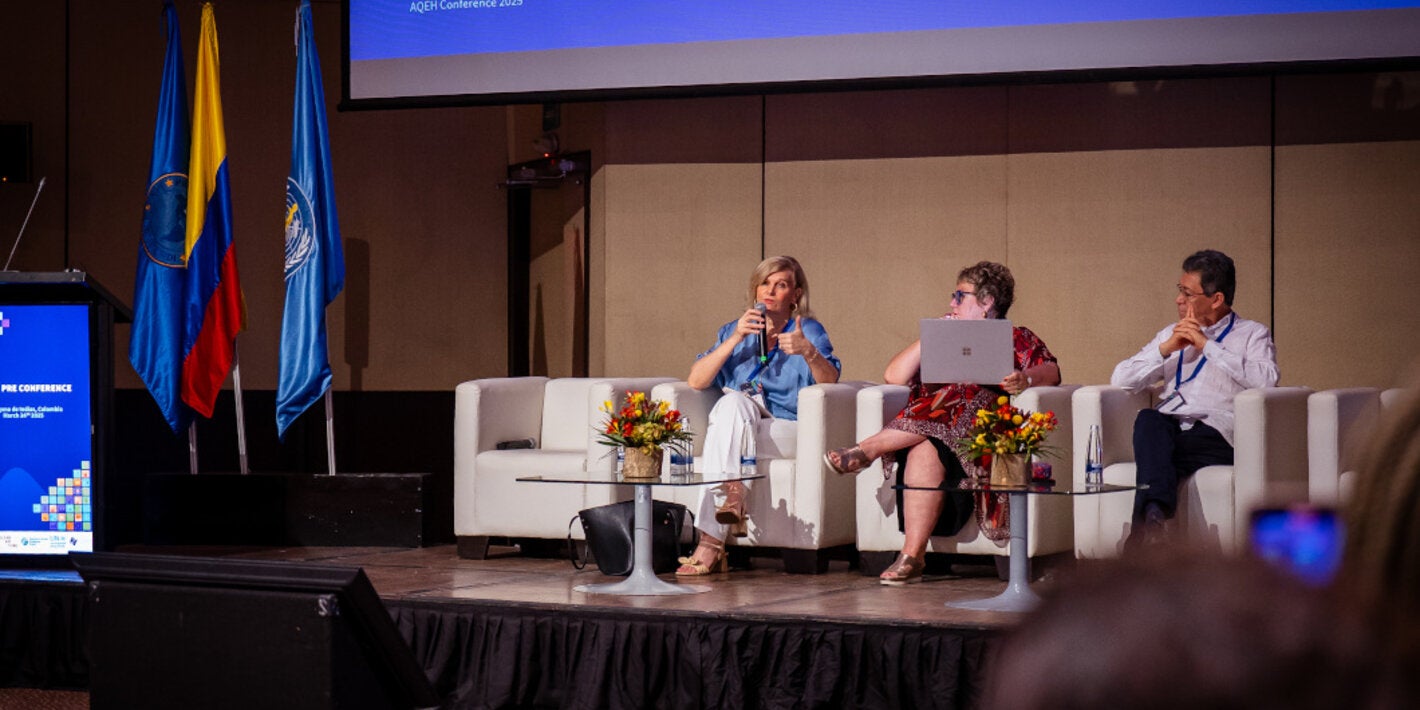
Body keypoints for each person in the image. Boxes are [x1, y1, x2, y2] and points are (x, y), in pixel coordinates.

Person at [823, 261, 1060, 585]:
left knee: (964, 392)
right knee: (925, 447)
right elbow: (893, 376)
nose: (951, 302)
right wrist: (931, 336)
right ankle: (912, 556)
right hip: (931, 432)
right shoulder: (943, 339)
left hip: (980, 431)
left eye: (959, 296)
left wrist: (1025, 378)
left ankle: (868, 449)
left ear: (987, 302)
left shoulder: (1016, 337)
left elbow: (1051, 371)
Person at [674, 255, 841, 576]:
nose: (771, 291)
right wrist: (736, 338)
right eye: (765, 283)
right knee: (732, 404)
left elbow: (830, 382)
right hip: (742, 420)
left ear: (795, 295)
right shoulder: (734, 330)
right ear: (755, 289)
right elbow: (696, 380)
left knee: (726, 421)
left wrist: (808, 351)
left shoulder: (808, 329)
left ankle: (711, 540)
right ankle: (732, 497)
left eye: (781, 285)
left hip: (785, 425)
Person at [1111, 249, 1278, 548]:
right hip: (1171, 426)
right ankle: (1153, 524)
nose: (1179, 300)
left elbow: (1266, 380)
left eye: (1187, 294)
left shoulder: (1252, 334)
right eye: (1180, 291)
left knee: (1157, 454)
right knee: (1148, 419)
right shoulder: (1172, 333)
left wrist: (1207, 346)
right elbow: (1121, 379)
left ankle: (1145, 532)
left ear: (1216, 299)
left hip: (1216, 433)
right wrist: (1165, 349)